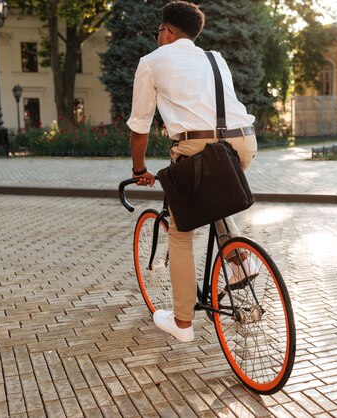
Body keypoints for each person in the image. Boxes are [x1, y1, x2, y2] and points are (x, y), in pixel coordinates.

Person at [126, 1, 258, 343]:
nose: (158, 38)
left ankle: (183, 321)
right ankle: (240, 261)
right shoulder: (215, 58)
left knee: (182, 231)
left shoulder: (152, 62)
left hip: (199, 149)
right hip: (243, 143)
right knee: (215, 194)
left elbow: (139, 126)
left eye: (159, 32)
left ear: (167, 32)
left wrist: (139, 168)